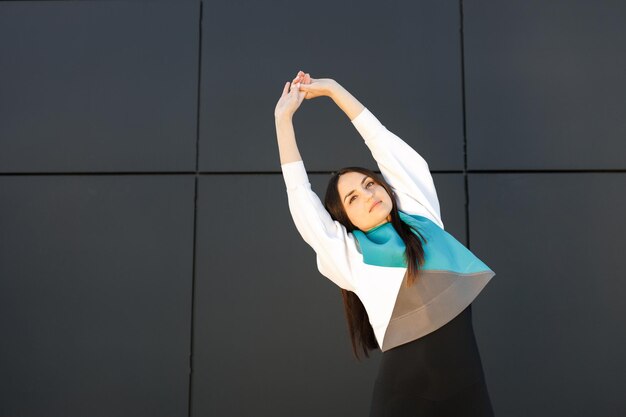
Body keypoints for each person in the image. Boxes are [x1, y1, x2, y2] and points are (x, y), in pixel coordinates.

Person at [274, 70, 497, 416]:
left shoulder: (421, 214)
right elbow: (301, 197)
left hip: (468, 396)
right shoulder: (351, 255)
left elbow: (382, 142)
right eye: (352, 198)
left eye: (368, 184)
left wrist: (335, 91)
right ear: (344, 220)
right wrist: (283, 120)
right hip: (402, 402)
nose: (367, 194)